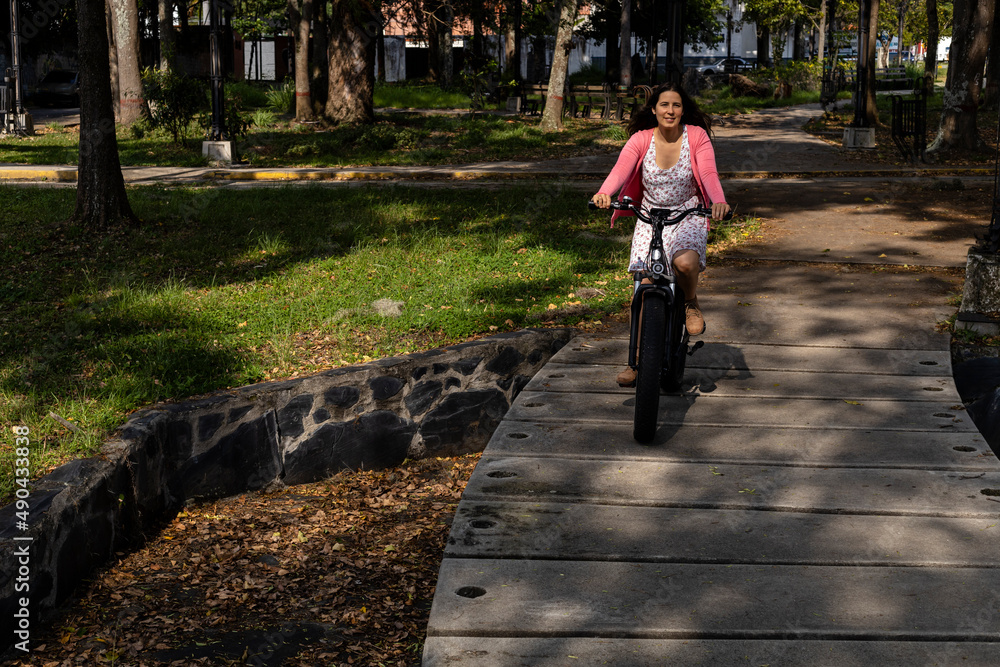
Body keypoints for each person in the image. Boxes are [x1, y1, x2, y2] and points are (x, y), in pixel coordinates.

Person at [592, 81, 730, 387]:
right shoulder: (641, 139)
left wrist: (718, 200)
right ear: (653, 109)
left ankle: (690, 302)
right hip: (650, 216)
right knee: (642, 288)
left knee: (684, 264)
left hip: (687, 213)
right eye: (664, 105)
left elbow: (708, 173)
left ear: (683, 110)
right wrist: (604, 193)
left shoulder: (696, 136)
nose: (670, 110)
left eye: (676, 105)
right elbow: (621, 170)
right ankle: (636, 361)